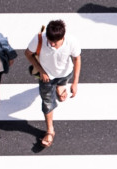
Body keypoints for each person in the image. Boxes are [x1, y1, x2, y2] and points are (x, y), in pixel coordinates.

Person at [24, 19, 81, 148]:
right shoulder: (40, 39)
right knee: (47, 102)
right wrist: (41, 71)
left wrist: (75, 83)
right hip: (47, 77)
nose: (53, 45)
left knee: (61, 88)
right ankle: (50, 130)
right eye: (50, 42)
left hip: (65, 73)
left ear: (63, 37)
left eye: (55, 42)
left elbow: (77, 59)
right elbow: (28, 54)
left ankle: (61, 88)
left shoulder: (72, 41)